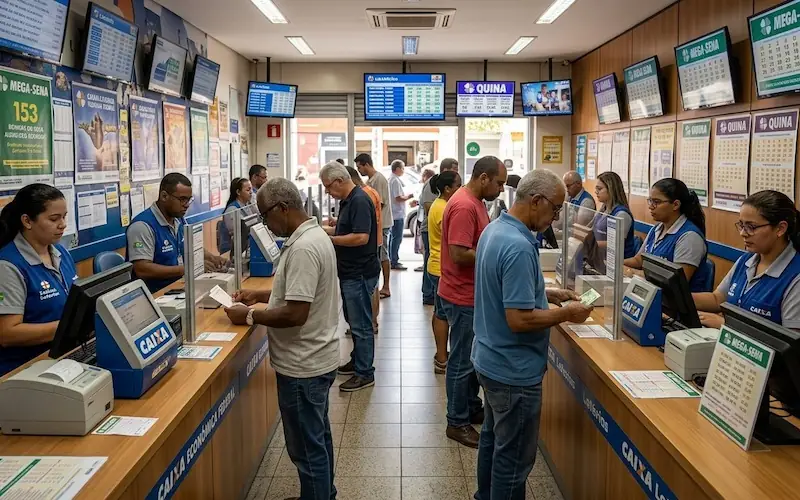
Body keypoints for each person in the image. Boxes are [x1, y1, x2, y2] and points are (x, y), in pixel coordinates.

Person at [472, 169, 593, 499]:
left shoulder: (495, 229)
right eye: (555, 209)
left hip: (488, 358)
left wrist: (547, 294)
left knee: (494, 442)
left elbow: (503, 290)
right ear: (536, 201)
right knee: (513, 462)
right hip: (513, 371)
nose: (555, 218)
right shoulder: (520, 247)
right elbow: (519, 320)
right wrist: (566, 313)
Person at [225, 178, 340, 500]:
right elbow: (301, 293)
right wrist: (260, 295)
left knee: (306, 448)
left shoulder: (303, 248)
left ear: (282, 208)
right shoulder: (314, 236)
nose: (265, 223)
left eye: (265, 216)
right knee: (317, 437)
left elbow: (295, 313)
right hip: (316, 356)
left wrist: (249, 315)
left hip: (303, 364)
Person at [439, 155, 507, 448]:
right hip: (462, 294)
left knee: (469, 358)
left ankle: (468, 407)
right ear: (483, 178)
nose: (502, 189)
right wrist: (496, 254)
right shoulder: (465, 205)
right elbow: (459, 253)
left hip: (468, 293)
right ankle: (457, 421)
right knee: (462, 362)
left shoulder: (474, 201)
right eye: (500, 183)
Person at [693, 190, 800, 330]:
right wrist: (676, 297)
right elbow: (718, 299)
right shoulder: (747, 259)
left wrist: (726, 326)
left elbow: (790, 345)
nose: (743, 233)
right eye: (741, 225)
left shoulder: (795, 276)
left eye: (751, 227)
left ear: (780, 228)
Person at [0, 185, 78, 375]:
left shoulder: (61, 253)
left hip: (62, 356)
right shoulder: (8, 265)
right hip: (25, 368)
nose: (63, 224)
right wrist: (70, 327)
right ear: (27, 221)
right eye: (54, 219)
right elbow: (7, 334)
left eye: (64, 216)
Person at [320, 161, 380, 392]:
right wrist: (324, 231)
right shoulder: (347, 201)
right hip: (349, 272)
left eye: (328, 186)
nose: (327, 191)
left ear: (339, 181)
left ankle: (365, 373)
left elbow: (361, 237)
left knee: (361, 324)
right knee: (353, 321)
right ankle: (358, 361)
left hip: (360, 272)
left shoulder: (360, 200)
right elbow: (346, 230)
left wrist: (331, 240)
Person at [126, 173, 227, 293]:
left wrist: (213, 258)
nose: (187, 204)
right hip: (155, 295)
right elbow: (142, 269)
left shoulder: (179, 219)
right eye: (182, 199)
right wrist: (188, 269)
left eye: (189, 199)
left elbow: (192, 247)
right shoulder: (142, 226)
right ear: (164, 196)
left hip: (179, 287)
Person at [624, 178, 710, 292]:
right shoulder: (657, 229)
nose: (651, 206)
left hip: (677, 306)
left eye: (657, 202)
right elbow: (639, 260)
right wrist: (615, 263)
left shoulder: (690, 237)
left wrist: (631, 272)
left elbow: (676, 282)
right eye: (650, 201)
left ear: (675, 204)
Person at [427, 171, 462, 374]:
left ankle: (441, 355)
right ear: (447, 188)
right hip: (441, 268)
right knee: (442, 314)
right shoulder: (443, 208)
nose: (461, 188)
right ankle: (442, 358)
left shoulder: (439, 205)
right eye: (458, 185)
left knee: (439, 312)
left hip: (437, 265)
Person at [346, 165, 382, 334]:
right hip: (375, 243)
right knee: (372, 288)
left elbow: (361, 233)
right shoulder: (370, 191)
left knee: (369, 290)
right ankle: (372, 321)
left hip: (367, 252)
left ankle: (371, 322)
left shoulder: (360, 197)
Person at [418, 158, 458, 302]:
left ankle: (431, 294)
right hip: (430, 229)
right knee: (431, 256)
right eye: (454, 169)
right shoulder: (433, 187)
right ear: (445, 169)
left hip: (434, 228)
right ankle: (428, 294)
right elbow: (428, 207)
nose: (456, 171)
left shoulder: (443, 203)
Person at [356, 153, 393, 299]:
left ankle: (386, 286)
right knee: (378, 255)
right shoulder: (371, 180)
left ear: (366, 164)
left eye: (359, 167)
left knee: (383, 255)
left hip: (382, 224)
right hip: (377, 224)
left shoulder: (379, 180)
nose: (359, 170)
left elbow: (380, 203)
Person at [590, 172, 636, 273]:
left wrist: (592, 245)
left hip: (617, 266)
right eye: (596, 188)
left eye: (600, 189)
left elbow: (615, 243)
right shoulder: (603, 209)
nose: (596, 192)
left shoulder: (621, 214)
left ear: (611, 189)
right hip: (601, 261)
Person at [388, 159, 414, 270]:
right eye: (403, 168)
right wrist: (409, 196)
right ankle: (394, 261)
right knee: (396, 238)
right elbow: (398, 198)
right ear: (397, 169)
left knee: (393, 238)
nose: (403, 170)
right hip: (397, 214)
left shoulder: (391, 179)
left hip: (393, 213)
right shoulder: (395, 181)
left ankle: (392, 259)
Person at [218, 177, 252, 254]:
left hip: (245, 247)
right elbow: (240, 233)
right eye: (248, 190)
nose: (251, 192)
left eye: (251, 189)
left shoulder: (246, 205)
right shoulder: (232, 210)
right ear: (238, 192)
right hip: (232, 251)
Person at [413, 167, 435, 273]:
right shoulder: (427, 186)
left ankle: (425, 267)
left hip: (424, 220)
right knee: (424, 247)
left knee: (426, 249)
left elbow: (426, 205)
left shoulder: (429, 185)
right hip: (422, 218)